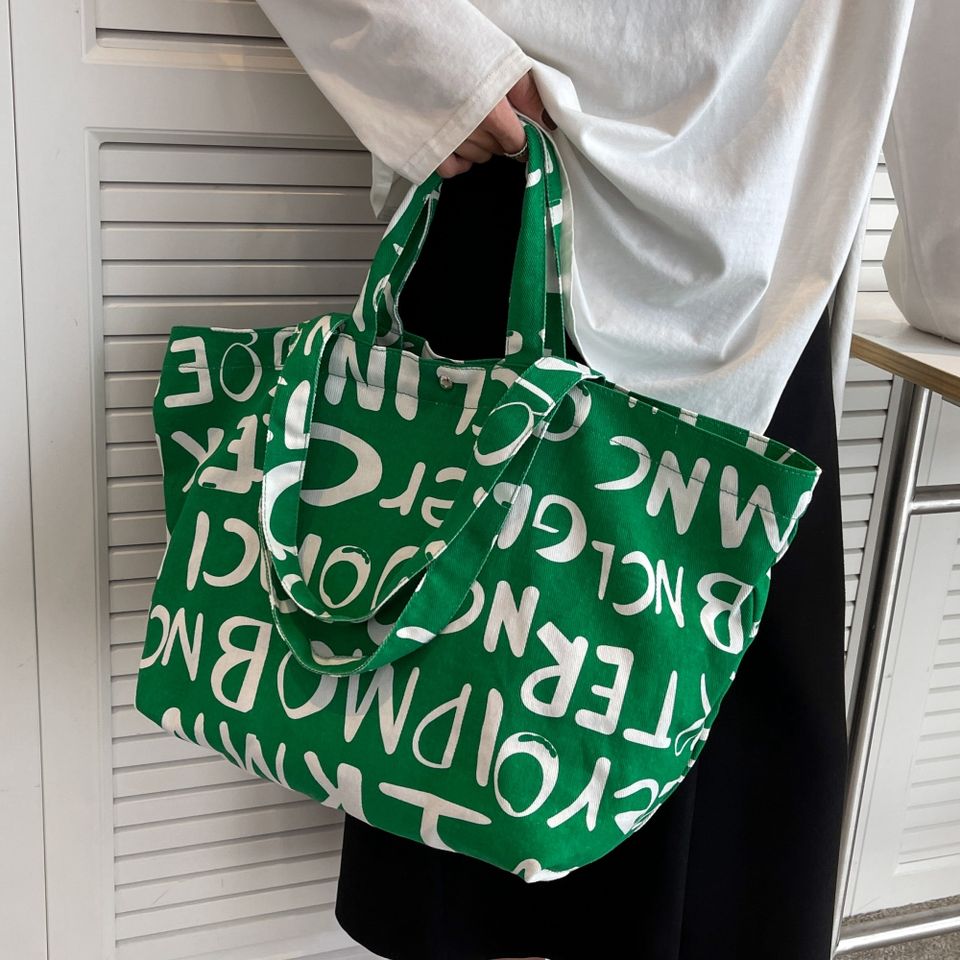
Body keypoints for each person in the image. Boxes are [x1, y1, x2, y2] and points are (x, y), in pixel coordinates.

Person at [249, 3, 957, 959]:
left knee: (699, 838)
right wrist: (435, 60)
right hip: (529, 182)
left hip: (761, 280)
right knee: (462, 744)